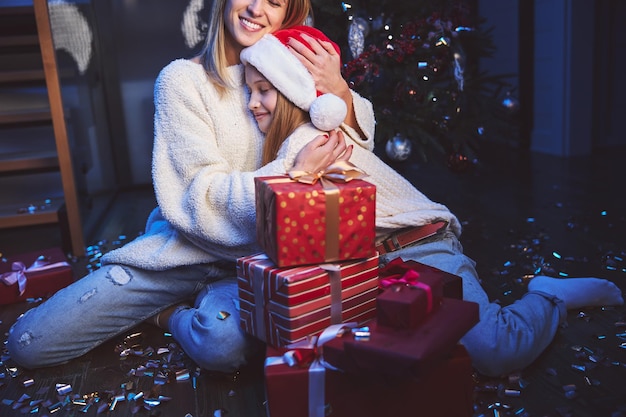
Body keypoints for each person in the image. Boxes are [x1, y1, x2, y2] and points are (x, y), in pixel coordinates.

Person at [6, 0, 376, 372]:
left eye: (275, 2)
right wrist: (291, 173)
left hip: (257, 261)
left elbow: (355, 151)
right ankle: (165, 304)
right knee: (30, 344)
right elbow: (199, 195)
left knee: (224, 346)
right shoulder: (181, 80)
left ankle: (172, 315)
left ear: (287, 15)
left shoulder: (294, 71)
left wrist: (340, 92)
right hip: (184, 251)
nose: (256, 9)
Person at [239, 25, 625, 377]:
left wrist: (299, 169)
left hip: (419, 247)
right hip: (364, 269)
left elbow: (255, 208)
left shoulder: (311, 141)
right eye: (249, 90)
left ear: (293, 91)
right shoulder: (289, 147)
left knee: (494, 350)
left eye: (264, 90)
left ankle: (548, 295)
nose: (252, 103)